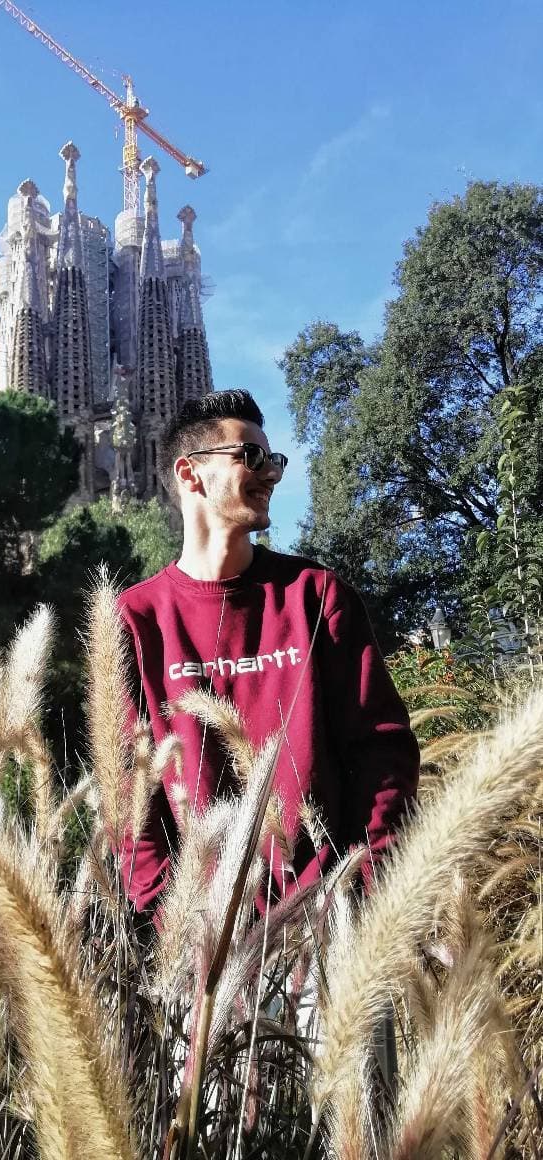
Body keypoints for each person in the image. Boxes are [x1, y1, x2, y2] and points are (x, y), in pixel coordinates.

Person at [118, 389, 419, 914]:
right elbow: (129, 787)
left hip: (329, 921)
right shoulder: (135, 619)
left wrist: (363, 886)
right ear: (190, 474)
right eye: (251, 458)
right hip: (203, 946)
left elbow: (382, 749)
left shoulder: (316, 595)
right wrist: (170, 915)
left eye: (274, 460)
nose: (271, 475)